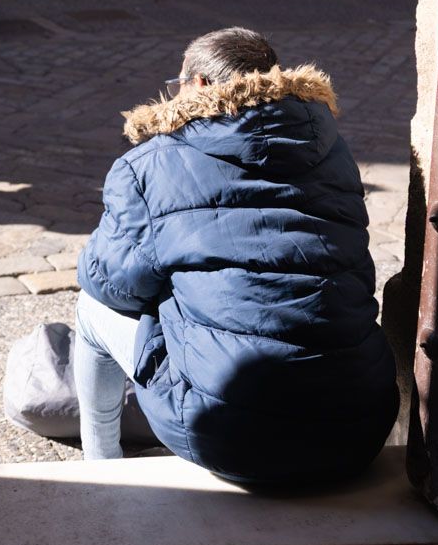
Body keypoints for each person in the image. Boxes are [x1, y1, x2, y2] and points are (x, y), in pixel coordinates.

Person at [74, 28, 399, 487]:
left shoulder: (150, 163)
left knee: (90, 310)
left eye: (177, 84)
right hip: (359, 427)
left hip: (231, 435)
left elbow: (109, 283)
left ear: (200, 85)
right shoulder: (333, 151)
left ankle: (100, 471)